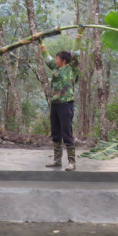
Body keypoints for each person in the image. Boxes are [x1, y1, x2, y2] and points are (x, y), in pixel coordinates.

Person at [39, 26, 84, 171]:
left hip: (66, 105)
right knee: (56, 134)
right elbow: (47, 59)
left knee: (67, 133)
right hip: (55, 105)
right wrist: (41, 43)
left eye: (58, 58)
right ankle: (57, 160)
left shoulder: (71, 69)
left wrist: (79, 34)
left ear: (64, 61)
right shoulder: (56, 68)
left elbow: (76, 53)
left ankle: (72, 162)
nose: (56, 60)